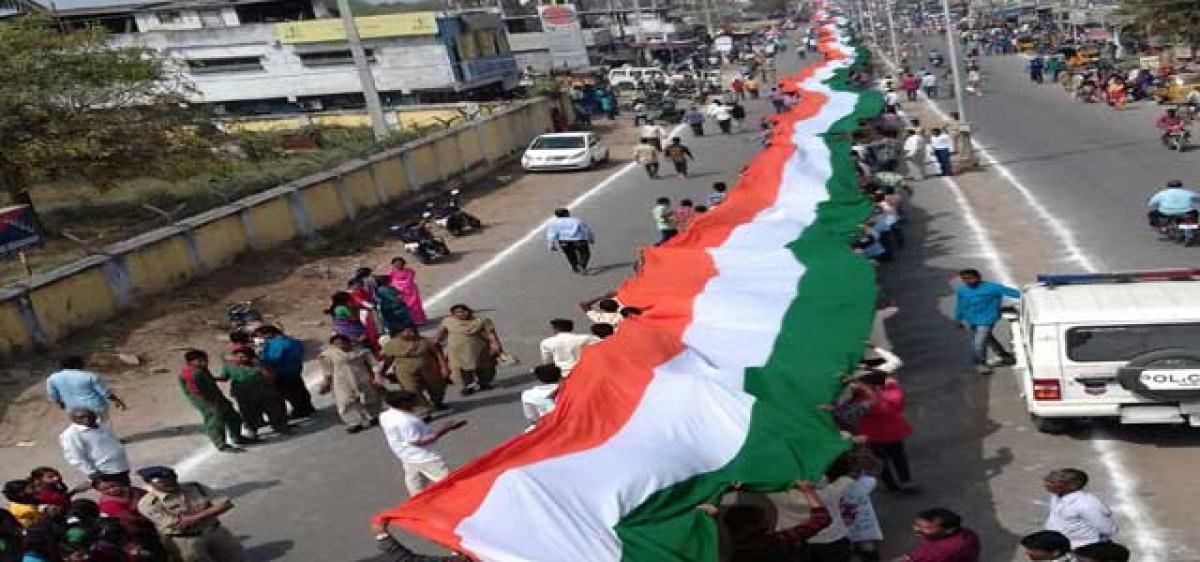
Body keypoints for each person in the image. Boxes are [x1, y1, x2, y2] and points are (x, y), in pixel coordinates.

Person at [135, 466, 244, 562]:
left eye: (172, 479)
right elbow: (178, 524)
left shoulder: (195, 487)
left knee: (235, 557)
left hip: (215, 531)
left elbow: (226, 504)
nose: (169, 483)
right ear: (150, 483)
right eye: (162, 482)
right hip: (186, 541)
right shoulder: (148, 503)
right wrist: (211, 511)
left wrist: (195, 518)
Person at [379, 390, 467, 495]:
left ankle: (418, 506)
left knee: (416, 487)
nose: (416, 402)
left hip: (406, 456)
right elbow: (418, 442)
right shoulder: (406, 421)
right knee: (450, 482)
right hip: (425, 458)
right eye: (412, 401)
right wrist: (445, 429)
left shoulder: (385, 415)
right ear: (403, 403)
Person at [853, 370, 917, 493]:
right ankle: (905, 482)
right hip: (891, 433)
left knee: (881, 461)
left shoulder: (858, 397)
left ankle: (891, 486)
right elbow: (895, 404)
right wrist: (892, 386)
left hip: (871, 435)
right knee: (898, 457)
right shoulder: (882, 395)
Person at [215, 348, 289, 440]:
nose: (239, 358)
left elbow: (271, 376)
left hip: (262, 392)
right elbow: (225, 377)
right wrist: (213, 379)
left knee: (273, 409)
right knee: (248, 413)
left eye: (243, 357)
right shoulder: (229, 366)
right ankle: (252, 431)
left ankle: (280, 427)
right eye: (237, 356)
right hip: (242, 394)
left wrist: (259, 367)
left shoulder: (258, 365)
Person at [179, 350, 247, 452]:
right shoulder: (192, 373)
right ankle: (221, 444)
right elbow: (197, 391)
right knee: (215, 420)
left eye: (205, 359)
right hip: (204, 399)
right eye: (200, 360)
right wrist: (212, 403)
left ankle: (237, 437)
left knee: (232, 415)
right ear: (191, 362)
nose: (204, 362)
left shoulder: (201, 369)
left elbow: (211, 384)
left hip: (214, 395)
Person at [954, 269, 1019, 374]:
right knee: (987, 339)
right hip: (972, 320)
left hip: (987, 319)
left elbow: (1015, 293)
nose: (968, 281)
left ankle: (980, 363)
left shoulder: (993, 287)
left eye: (970, 278)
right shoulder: (962, 290)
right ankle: (1004, 356)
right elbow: (960, 305)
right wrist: (958, 319)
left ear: (978, 277)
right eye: (964, 279)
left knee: (979, 342)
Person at [379, 326, 450, 416]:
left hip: (429, 369)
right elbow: (388, 360)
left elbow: (437, 353)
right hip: (405, 372)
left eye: (412, 330)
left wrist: (443, 367)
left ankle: (437, 402)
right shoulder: (391, 345)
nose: (411, 332)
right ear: (399, 333)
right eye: (407, 331)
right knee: (412, 390)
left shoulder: (424, 340)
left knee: (437, 387)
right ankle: (424, 410)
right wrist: (382, 373)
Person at [94, 473, 166, 560]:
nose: (111, 490)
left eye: (113, 486)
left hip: (153, 523)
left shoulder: (133, 491)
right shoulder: (106, 504)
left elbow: (151, 499)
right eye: (105, 489)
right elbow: (129, 517)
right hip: (136, 534)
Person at [434, 304, 503, 395]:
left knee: (484, 367)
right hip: (457, 353)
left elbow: (490, 334)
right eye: (458, 312)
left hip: (478, 350)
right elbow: (439, 334)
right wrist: (437, 341)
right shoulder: (448, 322)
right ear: (453, 314)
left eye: (464, 311)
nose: (463, 313)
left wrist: (495, 344)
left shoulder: (480, 321)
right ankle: (467, 386)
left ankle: (484, 383)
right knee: (462, 370)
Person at [319, 334, 382, 434]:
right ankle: (354, 422)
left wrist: (377, 376)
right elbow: (327, 372)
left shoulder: (360, 351)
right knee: (345, 402)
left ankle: (374, 416)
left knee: (369, 397)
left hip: (362, 377)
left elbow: (374, 364)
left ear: (347, 342)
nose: (340, 346)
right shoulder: (327, 355)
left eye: (342, 343)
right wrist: (326, 384)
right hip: (341, 381)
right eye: (336, 344)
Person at [46, 356, 127, 431]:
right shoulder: (88, 376)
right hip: (95, 407)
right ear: (77, 365)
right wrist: (117, 401)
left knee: (82, 429)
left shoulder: (52, 378)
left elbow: (53, 395)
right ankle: (109, 441)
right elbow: (105, 392)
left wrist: (62, 404)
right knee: (103, 426)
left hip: (74, 409)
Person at [1043, 469, 1116, 549]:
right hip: (1061, 545)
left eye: (1052, 482)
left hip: (1082, 548)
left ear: (1072, 486)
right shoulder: (1056, 497)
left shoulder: (1087, 504)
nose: (1046, 484)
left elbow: (1107, 529)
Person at [256, 325, 315, 419]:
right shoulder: (289, 340)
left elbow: (272, 358)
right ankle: (308, 407)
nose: (261, 338)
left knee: (290, 393)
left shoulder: (277, 344)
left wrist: (260, 356)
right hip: (294, 369)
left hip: (283, 372)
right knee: (300, 390)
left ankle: (300, 411)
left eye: (261, 336)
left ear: (269, 334)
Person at [59, 407, 130, 484]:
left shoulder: (100, 424)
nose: (87, 419)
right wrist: (90, 472)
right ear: (74, 420)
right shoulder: (71, 434)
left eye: (89, 416)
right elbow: (75, 456)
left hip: (120, 466)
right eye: (81, 418)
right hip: (105, 471)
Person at [895, 508, 981, 562]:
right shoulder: (967, 533)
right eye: (917, 525)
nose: (916, 529)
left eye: (927, 528)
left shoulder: (937, 552)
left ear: (949, 530)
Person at [545, 208, 596, 274]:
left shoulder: (553, 223)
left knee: (570, 255)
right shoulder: (576, 220)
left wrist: (551, 245)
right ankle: (581, 265)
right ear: (567, 213)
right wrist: (590, 238)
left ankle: (575, 267)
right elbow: (586, 230)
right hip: (578, 240)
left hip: (564, 241)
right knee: (585, 253)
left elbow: (551, 234)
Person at [388, 257, 428, 327]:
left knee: (415, 306)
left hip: (411, 292)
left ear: (403, 263)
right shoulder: (391, 273)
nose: (398, 265)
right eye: (396, 263)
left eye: (400, 263)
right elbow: (391, 282)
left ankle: (418, 321)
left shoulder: (409, 271)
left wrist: (402, 287)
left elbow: (409, 280)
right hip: (399, 293)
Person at [521, 364, 561, 428]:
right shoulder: (565, 389)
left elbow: (531, 417)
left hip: (543, 426)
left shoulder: (527, 394)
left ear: (539, 379)